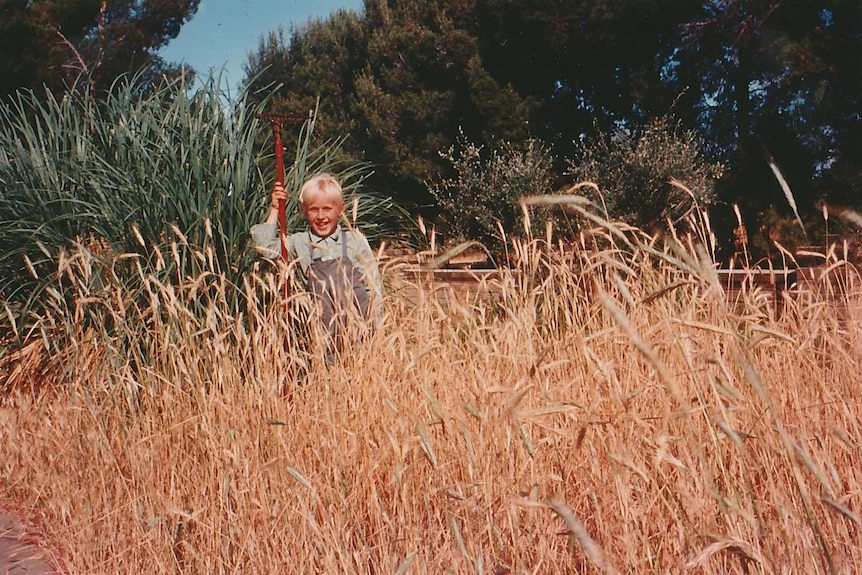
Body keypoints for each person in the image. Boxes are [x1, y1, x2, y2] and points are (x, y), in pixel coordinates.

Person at [250, 173, 384, 360]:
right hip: (322, 338)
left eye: (327, 209)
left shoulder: (354, 241)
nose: (321, 216)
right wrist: (274, 209)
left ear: (341, 209)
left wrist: (375, 329)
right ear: (304, 211)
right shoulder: (300, 242)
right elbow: (266, 248)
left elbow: (374, 286)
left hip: (359, 334)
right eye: (314, 210)